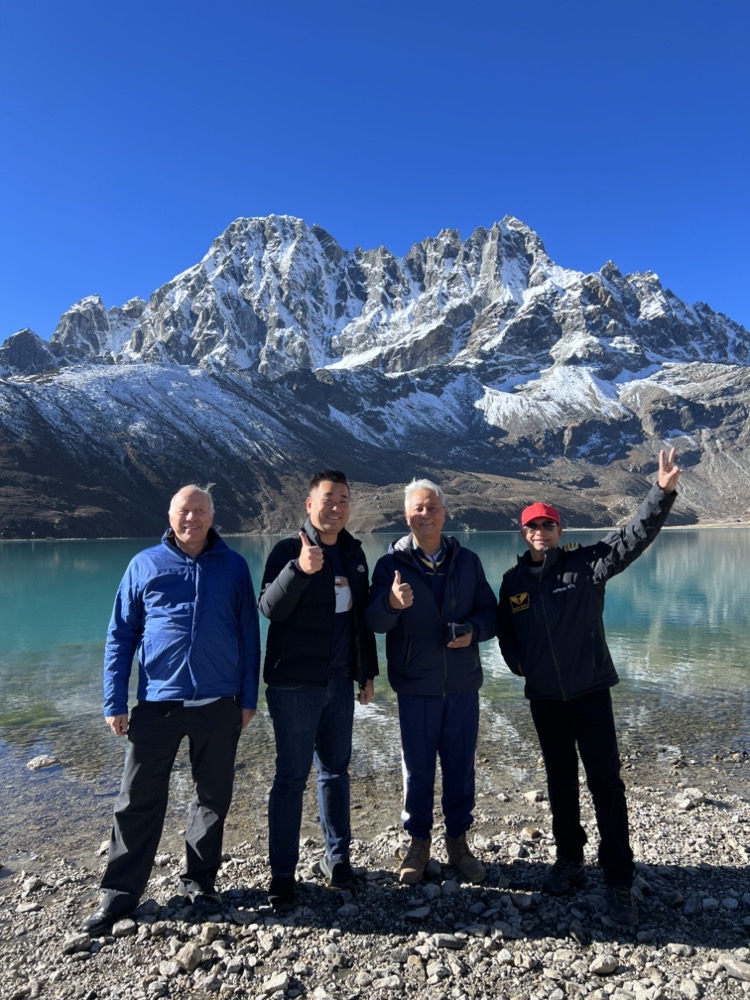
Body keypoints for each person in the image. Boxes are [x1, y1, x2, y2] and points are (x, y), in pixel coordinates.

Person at [497, 448, 682, 926]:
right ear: (525, 534)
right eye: (533, 527)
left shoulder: (587, 566)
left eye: (548, 526)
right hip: (545, 700)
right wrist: (523, 666)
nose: (541, 533)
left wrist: (659, 494)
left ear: (561, 531)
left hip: (589, 692)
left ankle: (619, 880)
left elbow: (632, 538)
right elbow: (506, 633)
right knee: (560, 784)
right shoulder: (512, 581)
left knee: (605, 784)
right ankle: (570, 861)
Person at [82, 485, 260, 936]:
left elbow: (248, 634)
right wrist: (114, 700)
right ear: (171, 515)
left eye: (200, 512)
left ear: (212, 516)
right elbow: (120, 635)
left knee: (212, 798)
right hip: (157, 702)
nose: (192, 519)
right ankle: (119, 895)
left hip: (218, 703)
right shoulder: (143, 564)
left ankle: (201, 886)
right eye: (185, 511)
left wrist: (248, 697)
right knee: (137, 800)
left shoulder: (235, 567)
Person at [366, 479, 497, 884]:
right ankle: (418, 843)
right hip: (415, 686)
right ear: (407, 516)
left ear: (445, 513)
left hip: (461, 685)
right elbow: (373, 622)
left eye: (432, 507)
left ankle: (458, 842)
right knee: (418, 770)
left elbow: (492, 614)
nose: (426, 514)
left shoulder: (468, 561)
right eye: (418, 509)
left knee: (460, 766)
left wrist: (473, 631)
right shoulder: (390, 566)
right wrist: (391, 604)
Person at [259, 470, 378, 910]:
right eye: (327, 499)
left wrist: (366, 672)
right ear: (309, 504)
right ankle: (282, 874)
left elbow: (361, 618)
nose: (336, 507)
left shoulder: (354, 554)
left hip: (338, 682)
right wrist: (299, 571)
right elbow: (269, 607)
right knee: (290, 778)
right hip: (293, 685)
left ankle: (338, 859)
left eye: (343, 499)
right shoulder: (288, 550)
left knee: (335, 771)